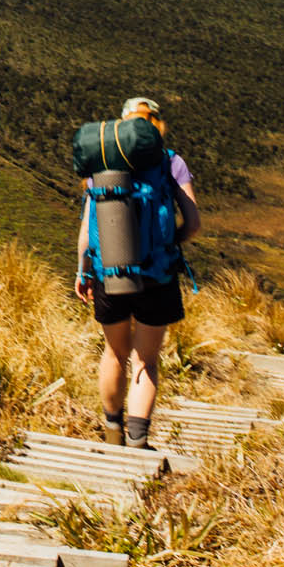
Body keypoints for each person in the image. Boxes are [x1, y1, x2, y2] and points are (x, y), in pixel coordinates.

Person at [74, 96, 201, 448]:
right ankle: (138, 440)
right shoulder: (171, 161)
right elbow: (193, 223)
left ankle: (112, 432)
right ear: (156, 124)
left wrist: (83, 271)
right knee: (146, 359)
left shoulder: (101, 160)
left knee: (114, 353)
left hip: (107, 271)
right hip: (157, 274)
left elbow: (88, 227)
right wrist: (168, 245)